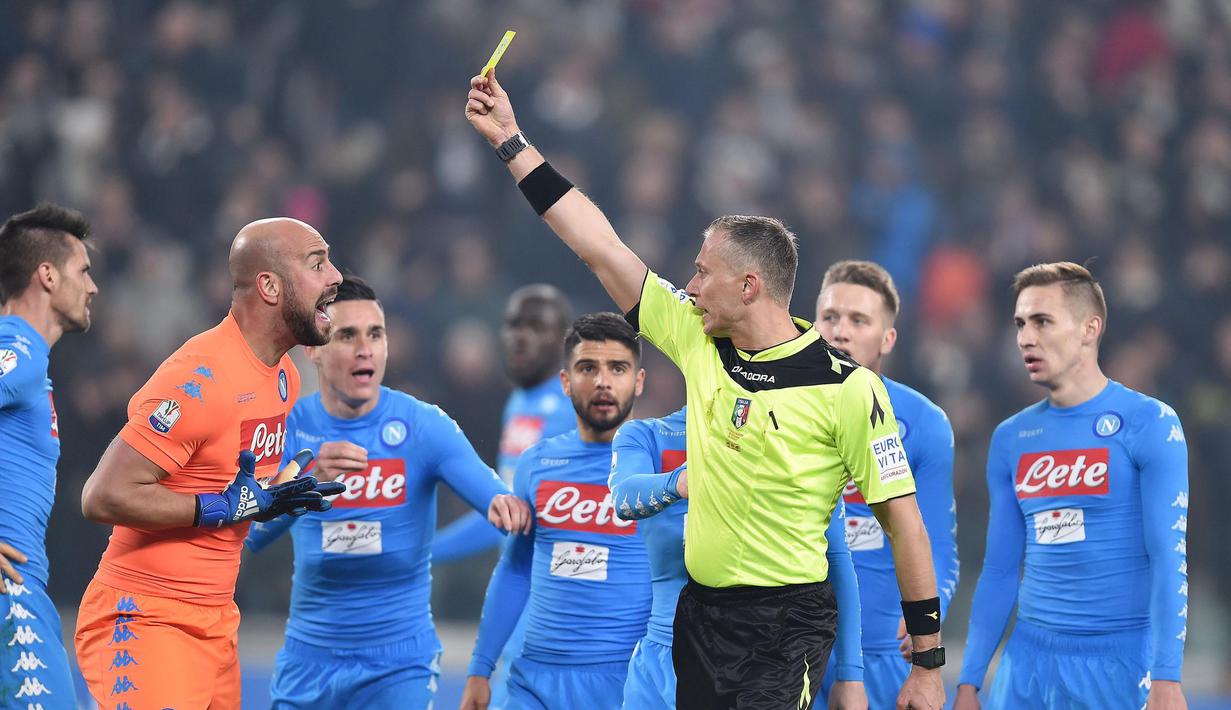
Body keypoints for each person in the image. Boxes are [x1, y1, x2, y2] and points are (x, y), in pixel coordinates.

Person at [465, 71, 945, 709]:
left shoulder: (847, 389)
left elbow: (905, 526)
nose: (688, 286)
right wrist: (511, 142)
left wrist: (929, 661)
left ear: (748, 285)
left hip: (786, 628)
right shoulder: (700, 339)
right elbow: (601, 247)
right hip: (700, 618)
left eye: (702, 271)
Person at [74, 217, 347, 708]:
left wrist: (272, 497)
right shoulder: (200, 378)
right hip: (146, 618)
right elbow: (103, 496)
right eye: (317, 262)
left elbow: (233, 488)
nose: (336, 276)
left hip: (216, 621)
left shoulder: (284, 375)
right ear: (269, 286)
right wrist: (218, 508)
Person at [243, 274, 530, 709]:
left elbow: (493, 495)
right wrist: (300, 482)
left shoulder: (422, 424)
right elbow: (252, 538)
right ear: (313, 349)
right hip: (308, 661)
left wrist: (506, 505)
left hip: (400, 668)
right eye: (347, 335)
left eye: (375, 334)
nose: (365, 349)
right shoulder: (287, 427)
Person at [955, 262, 1189, 710]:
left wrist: (1167, 676)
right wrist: (969, 680)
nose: (1025, 337)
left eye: (1042, 321)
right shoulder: (1011, 438)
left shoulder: (1149, 423)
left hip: (1120, 663)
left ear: (1089, 329)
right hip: (1025, 665)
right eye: (1020, 323)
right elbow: (1001, 569)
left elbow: (1168, 557)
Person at [609, 406, 869, 709]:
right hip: (661, 659)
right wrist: (685, 481)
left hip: (761, 660)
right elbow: (623, 499)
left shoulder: (799, 439)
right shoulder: (649, 436)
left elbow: (836, 560)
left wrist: (850, 675)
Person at [461, 313, 651, 710]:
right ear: (566, 382)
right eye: (587, 367)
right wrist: (480, 669)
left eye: (617, 368)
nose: (602, 381)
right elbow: (515, 569)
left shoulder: (664, 466)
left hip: (625, 684)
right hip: (534, 681)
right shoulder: (537, 464)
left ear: (639, 381)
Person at [813, 261, 960, 710]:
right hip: (793, 655)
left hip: (885, 658)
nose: (841, 331)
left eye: (859, 320)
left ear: (887, 338)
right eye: (831, 317)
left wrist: (926, 627)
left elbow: (939, 546)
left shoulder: (923, 423)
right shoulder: (771, 409)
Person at [432, 283, 575, 708]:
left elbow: (517, 515)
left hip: (553, 607)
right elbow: (508, 507)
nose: (520, 336)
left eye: (537, 326)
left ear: (565, 339)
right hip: (517, 598)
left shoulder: (572, 408)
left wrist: (429, 549)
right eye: (513, 324)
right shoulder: (519, 402)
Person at [0, 203, 98, 709]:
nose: (92, 286)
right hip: (10, 596)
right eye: (82, 271)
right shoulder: (20, 348)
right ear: (47, 275)